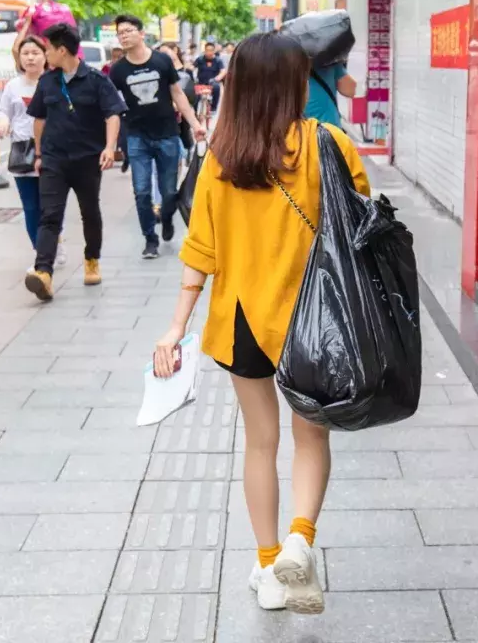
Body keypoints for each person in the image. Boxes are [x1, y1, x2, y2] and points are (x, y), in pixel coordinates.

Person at [152, 32, 370, 614]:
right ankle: (301, 537)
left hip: (244, 318)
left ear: (241, 83)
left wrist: (176, 328)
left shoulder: (222, 156)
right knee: (310, 434)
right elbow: (364, 226)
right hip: (315, 319)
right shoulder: (330, 145)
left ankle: (270, 563)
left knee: (260, 440)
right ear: (296, 83)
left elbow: (202, 250)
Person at [23, 23, 125, 301]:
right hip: (54, 160)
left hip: (87, 160)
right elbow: (40, 119)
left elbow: (112, 114)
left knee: (89, 211)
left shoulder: (96, 80)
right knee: (49, 215)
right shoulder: (47, 81)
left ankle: (92, 258)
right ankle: (43, 272)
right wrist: (40, 154)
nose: (45, 55)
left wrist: (109, 147)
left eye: (48, 50)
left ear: (62, 50)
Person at [109, 15, 206, 260]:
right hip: (137, 137)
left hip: (167, 135)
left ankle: (167, 219)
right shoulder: (118, 71)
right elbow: (111, 107)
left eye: (129, 30)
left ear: (142, 34)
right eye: (120, 32)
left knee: (168, 191)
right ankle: (150, 239)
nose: (124, 35)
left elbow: (178, 95)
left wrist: (195, 123)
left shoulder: (162, 61)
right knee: (141, 192)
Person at [0, 35, 66, 266]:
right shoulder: (13, 86)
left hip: (52, 151)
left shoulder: (55, 82)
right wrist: (2, 122)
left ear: (45, 55)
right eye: (25, 53)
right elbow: (3, 111)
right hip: (23, 152)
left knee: (51, 206)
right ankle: (42, 253)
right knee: (31, 207)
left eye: (35, 53)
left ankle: (55, 244)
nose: (30, 58)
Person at [304, 61, 357, 128]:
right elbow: (350, 90)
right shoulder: (328, 59)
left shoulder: (289, 61)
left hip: (298, 131)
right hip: (329, 128)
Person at [193, 42, 226, 112]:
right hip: (200, 82)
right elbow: (192, 67)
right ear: (204, 50)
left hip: (212, 82)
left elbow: (223, 71)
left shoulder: (218, 60)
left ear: (214, 51)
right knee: (194, 95)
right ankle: (194, 111)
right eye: (207, 50)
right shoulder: (200, 59)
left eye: (211, 50)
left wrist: (218, 78)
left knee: (217, 87)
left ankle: (214, 108)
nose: (209, 52)